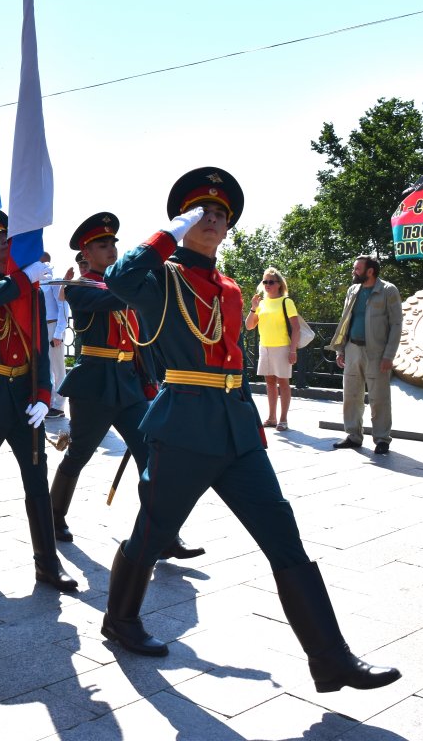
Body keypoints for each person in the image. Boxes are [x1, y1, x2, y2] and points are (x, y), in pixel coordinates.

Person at [100, 167, 401, 695]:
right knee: (151, 531)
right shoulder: (161, 279)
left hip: (235, 430)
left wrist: (252, 427)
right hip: (184, 424)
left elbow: (233, 361)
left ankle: (331, 660)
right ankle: (120, 619)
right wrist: (167, 232)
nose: (212, 218)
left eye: (220, 213)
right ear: (183, 219)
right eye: (202, 211)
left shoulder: (232, 288)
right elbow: (119, 280)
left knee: (285, 539)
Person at [49, 211, 204, 559]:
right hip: (95, 383)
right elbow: (113, 300)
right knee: (78, 454)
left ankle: (163, 535)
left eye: (113, 244)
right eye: (102, 245)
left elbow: (140, 336)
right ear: (85, 253)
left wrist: (151, 379)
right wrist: (139, 281)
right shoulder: (79, 287)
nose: (111, 250)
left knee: (152, 456)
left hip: (130, 383)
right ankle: (53, 516)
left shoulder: (122, 283)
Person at [0, 208, 76, 592]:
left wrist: (44, 395)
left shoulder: (33, 292)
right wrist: (23, 279)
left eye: (9, 237)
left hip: (26, 399)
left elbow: (39, 349)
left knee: (36, 481)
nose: (7, 244)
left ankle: (47, 563)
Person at [327, 256, 402, 454]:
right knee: (351, 395)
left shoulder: (388, 290)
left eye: (357, 269)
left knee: (379, 398)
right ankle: (353, 435)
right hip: (353, 349)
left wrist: (389, 355)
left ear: (370, 271)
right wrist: (340, 349)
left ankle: (382, 439)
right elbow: (345, 321)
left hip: (377, 353)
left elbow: (396, 324)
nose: (354, 271)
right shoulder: (353, 290)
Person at [244, 268, 300, 430]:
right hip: (265, 346)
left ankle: (283, 419)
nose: (267, 284)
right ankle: (271, 418)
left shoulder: (286, 301)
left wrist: (293, 350)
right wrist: (253, 307)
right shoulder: (261, 303)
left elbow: (296, 328)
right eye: (265, 281)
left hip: (282, 347)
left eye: (271, 282)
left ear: (279, 284)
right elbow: (249, 326)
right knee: (269, 382)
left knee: (283, 382)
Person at [40, 251, 69, 418]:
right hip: (43, 328)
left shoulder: (55, 279)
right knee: (46, 368)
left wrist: (59, 332)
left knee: (58, 369)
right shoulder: (40, 280)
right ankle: (49, 402)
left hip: (52, 327)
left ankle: (58, 405)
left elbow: (63, 306)